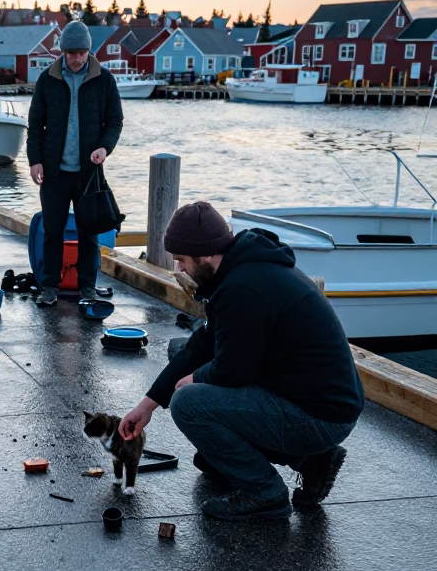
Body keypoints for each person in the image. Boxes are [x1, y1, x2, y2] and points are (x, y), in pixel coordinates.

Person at [119, 201, 364, 521]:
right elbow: (204, 343)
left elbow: (234, 369)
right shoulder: (241, 268)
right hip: (314, 399)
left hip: (320, 416)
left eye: (182, 260)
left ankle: (263, 492)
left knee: (187, 402)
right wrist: (147, 405)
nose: (179, 269)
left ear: (205, 254)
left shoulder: (243, 288)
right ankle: (310, 461)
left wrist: (192, 381)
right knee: (182, 353)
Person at [27, 19, 123, 306]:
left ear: (89, 51)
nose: (78, 58)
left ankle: (88, 287)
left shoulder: (104, 80)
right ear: (63, 52)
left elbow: (115, 122)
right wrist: (35, 161)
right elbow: (35, 125)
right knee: (52, 232)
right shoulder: (47, 80)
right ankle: (49, 287)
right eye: (72, 53)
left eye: (82, 52)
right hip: (54, 173)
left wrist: (105, 148)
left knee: (89, 234)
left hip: (88, 173)